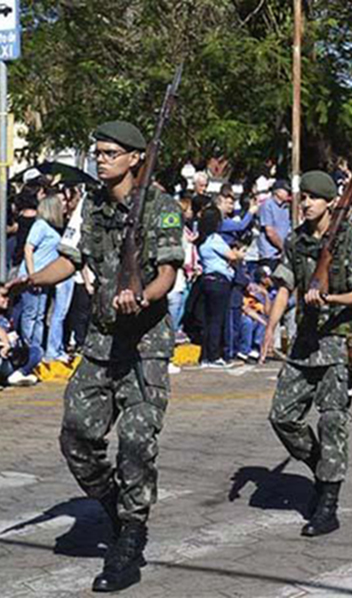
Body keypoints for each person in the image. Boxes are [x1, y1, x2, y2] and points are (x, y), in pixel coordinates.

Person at [3, 121, 184, 592]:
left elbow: (168, 273)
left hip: (145, 346)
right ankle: (113, 506)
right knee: (76, 436)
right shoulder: (93, 205)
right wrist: (28, 279)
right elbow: (73, 260)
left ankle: (131, 534)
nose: (101, 159)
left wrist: (141, 295)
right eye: (98, 151)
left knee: (138, 443)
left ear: (134, 158)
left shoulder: (160, 207)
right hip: (101, 343)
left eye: (109, 153)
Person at [261, 171, 352, 537]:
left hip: (338, 344)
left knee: (331, 422)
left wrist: (329, 298)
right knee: (282, 416)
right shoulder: (295, 240)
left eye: (312, 197)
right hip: (304, 344)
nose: (305, 202)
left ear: (328, 202)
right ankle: (320, 465)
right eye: (303, 197)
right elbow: (283, 287)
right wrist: (271, 327)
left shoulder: (348, 240)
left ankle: (328, 503)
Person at [197, 207, 245, 366]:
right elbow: (232, 256)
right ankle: (214, 356)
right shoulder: (215, 238)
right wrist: (239, 255)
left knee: (208, 320)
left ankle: (205, 355)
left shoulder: (202, 240)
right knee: (218, 320)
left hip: (206, 280)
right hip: (220, 281)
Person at [19, 193, 64, 354]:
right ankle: (27, 348)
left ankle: (35, 350)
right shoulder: (40, 226)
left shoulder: (51, 228)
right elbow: (28, 248)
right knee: (31, 313)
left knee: (39, 315)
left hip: (44, 277)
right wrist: (33, 276)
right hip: (33, 275)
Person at [258, 179, 292, 273]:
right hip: (269, 255)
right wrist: (283, 248)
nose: (288, 193)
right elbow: (270, 232)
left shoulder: (286, 207)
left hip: (281, 255)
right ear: (277, 191)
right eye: (285, 190)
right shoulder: (267, 205)